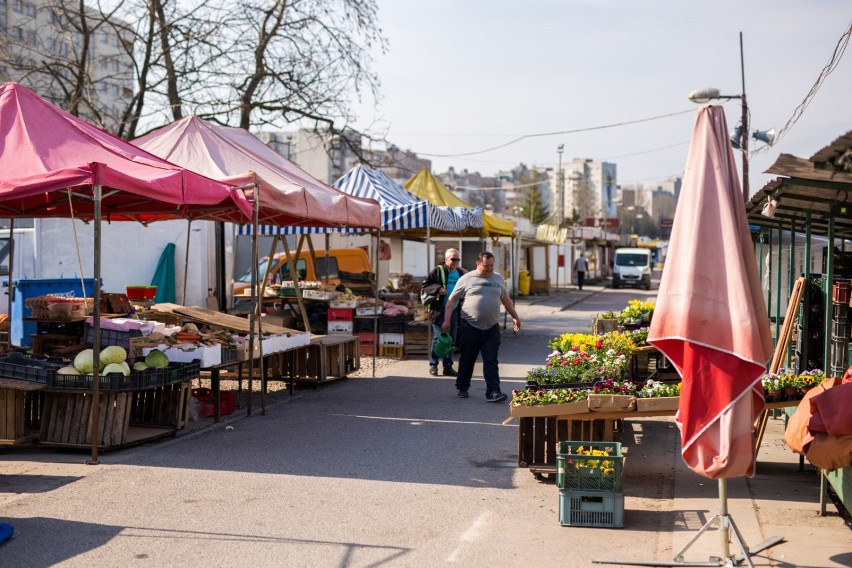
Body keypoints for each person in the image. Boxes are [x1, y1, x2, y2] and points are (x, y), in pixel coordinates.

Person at [442, 251, 521, 402]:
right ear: (478, 264)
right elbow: (451, 300)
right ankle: (462, 386)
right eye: (486, 266)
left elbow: (506, 300)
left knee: (491, 359)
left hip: (491, 327)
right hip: (470, 326)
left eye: (491, 265)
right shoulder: (467, 278)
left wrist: (515, 317)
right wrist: (447, 320)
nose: (489, 269)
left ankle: (493, 392)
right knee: (467, 358)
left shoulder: (498, 278)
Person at [423, 249, 465, 376]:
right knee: (438, 338)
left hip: (454, 311)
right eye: (453, 259)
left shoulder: (461, 273)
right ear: (446, 259)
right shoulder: (438, 271)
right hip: (439, 311)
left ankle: (447, 367)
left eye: (457, 260)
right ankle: (433, 365)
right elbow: (425, 285)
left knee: (450, 340)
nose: (455, 262)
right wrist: (438, 289)